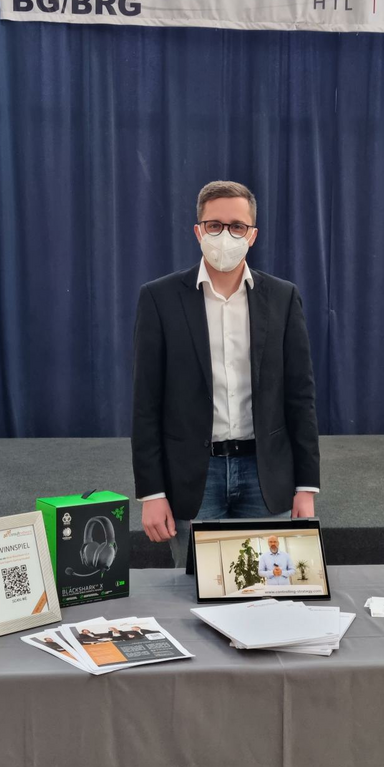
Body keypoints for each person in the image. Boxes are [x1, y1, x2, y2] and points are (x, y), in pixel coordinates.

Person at [132, 180, 321, 568]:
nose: (225, 235)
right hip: (193, 479)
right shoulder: (159, 298)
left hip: (264, 476)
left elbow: (300, 397)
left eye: (237, 226)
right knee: (195, 590)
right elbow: (145, 402)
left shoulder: (282, 298)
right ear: (198, 231)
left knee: (267, 588)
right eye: (215, 225)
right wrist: (152, 492)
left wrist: (306, 486)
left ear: (252, 235)